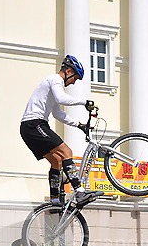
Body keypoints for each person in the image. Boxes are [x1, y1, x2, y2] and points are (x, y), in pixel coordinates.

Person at [20, 54, 104, 207]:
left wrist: (79, 125)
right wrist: (83, 102)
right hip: (34, 124)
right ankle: (79, 192)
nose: (73, 83)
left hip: (29, 128)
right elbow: (61, 99)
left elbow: (57, 113)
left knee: (57, 161)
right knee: (67, 152)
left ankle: (54, 202)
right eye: (75, 78)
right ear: (69, 72)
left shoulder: (52, 85)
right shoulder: (55, 80)